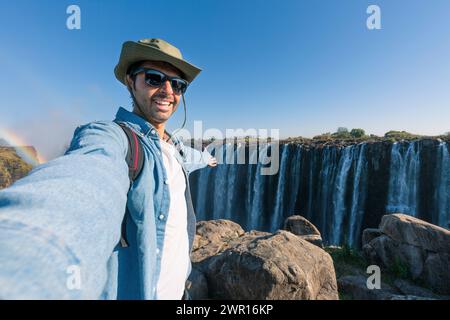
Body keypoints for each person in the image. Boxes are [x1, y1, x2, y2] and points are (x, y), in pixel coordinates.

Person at [0, 38, 214, 299]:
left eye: (178, 84)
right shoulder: (111, 138)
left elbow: (189, 158)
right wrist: (28, 250)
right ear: (130, 81)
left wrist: (208, 158)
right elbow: (86, 181)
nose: (168, 90)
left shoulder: (176, 148)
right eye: (154, 78)